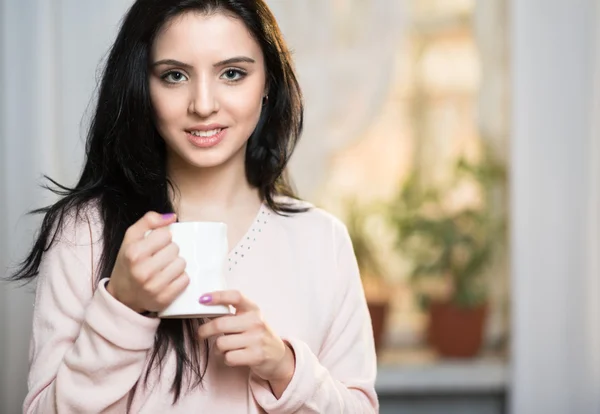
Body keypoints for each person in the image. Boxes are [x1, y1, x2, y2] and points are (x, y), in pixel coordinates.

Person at [11, 0, 378, 412]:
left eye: (232, 74)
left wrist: (285, 369)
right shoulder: (84, 232)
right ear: (141, 87)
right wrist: (122, 307)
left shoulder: (321, 240)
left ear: (268, 83)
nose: (203, 105)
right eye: (174, 75)